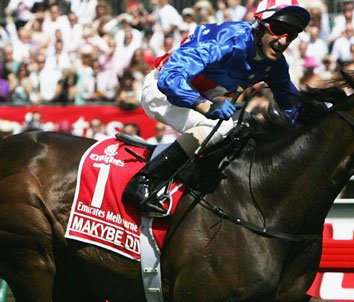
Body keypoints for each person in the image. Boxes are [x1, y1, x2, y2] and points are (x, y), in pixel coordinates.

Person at [123, 0, 310, 216]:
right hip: (162, 91)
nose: (283, 41)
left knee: (246, 128)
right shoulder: (227, 40)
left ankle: (192, 179)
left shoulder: (275, 64)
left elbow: (292, 105)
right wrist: (205, 106)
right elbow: (170, 78)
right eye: (277, 30)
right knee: (223, 127)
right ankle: (143, 182)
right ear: (259, 25)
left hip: (198, 98)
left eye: (291, 34)